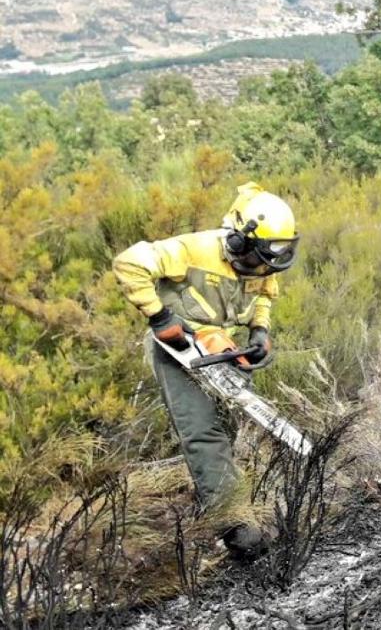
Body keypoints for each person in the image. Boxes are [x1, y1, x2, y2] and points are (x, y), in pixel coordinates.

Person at [113, 182, 299, 559]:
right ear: (237, 241)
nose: (261, 268)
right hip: (179, 348)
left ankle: (216, 495)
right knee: (203, 432)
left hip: (220, 347)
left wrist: (259, 331)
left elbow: (264, 292)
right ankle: (235, 528)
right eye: (257, 260)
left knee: (228, 428)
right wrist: (160, 316)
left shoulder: (263, 259)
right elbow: (128, 262)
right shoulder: (192, 249)